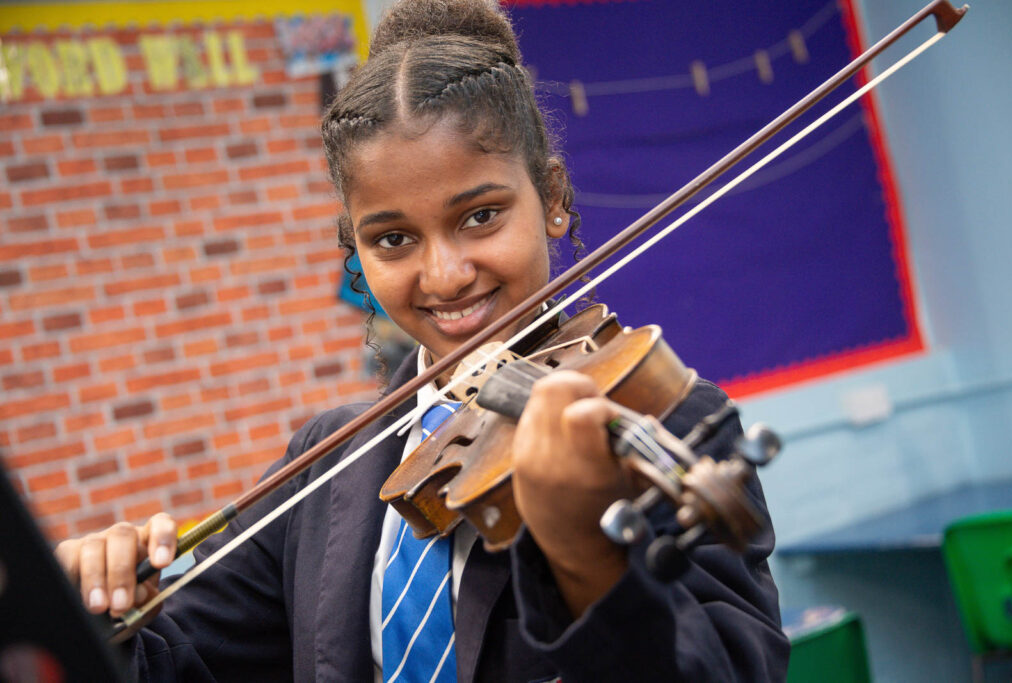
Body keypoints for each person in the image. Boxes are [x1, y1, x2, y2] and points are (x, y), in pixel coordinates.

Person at [54, 0, 788, 679]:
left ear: (554, 199)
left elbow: (730, 666)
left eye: (480, 217)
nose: (444, 274)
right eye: (394, 237)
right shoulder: (327, 459)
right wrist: (103, 613)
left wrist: (589, 560)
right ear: (358, 252)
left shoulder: (664, 418)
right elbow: (179, 662)